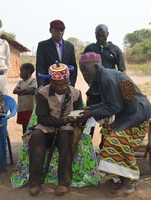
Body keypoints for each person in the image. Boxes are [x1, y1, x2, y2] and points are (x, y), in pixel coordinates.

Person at [78, 52, 151, 198]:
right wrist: (91, 109)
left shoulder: (107, 78)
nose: (84, 75)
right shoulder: (106, 75)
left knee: (115, 143)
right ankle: (121, 178)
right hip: (130, 113)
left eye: (86, 71)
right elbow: (110, 103)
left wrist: (90, 114)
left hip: (137, 114)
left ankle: (127, 185)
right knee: (110, 140)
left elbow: (114, 107)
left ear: (96, 66)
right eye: (82, 72)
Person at [28, 62, 82, 196]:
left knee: (66, 137)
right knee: (36, 136)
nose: (63, 87)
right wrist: (63, 120)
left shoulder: (76, 93)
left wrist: (78, 120)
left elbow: (80, 114)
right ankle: (35, 182)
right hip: (47, 128)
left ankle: (63, 183)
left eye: (66, 83)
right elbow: (43, 119)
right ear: (51, 81)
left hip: (66, 128)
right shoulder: (42, 94)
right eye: (58, 84)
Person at [83, 24, 126, 145]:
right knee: (89, 118)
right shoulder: (89, 49)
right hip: (94, 91)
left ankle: (105, 146)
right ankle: (87, 145)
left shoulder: (115, 49)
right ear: (95, 35)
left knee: (108, 120)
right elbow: (84, 69)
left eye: (103, 35)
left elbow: (122, 71)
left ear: (108, 35)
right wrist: (90, 82)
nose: (101, 38)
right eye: (98, 35)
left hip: (109, 90)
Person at [36, 19, 77, 88]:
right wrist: (41, 85)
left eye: (62, 30)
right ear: (50, 31)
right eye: (56, 30)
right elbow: (40, 67)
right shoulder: (43, 46)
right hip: (49, 85)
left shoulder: (70, 46)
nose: (59, 32)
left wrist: (72, 84)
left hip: (66, 85)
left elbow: (73, 66)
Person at [13, 63, 37, 134]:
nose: (20, 73)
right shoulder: (20, 82)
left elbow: (32, 90)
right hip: (22, 109)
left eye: (21, 71)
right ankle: (25, 143)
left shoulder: (33, 81)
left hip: (31, 109)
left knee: (31, 126)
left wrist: (20, 92)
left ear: (28, 71)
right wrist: (26, 90)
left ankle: (31, 143)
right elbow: (14, 91)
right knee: (24, 127)